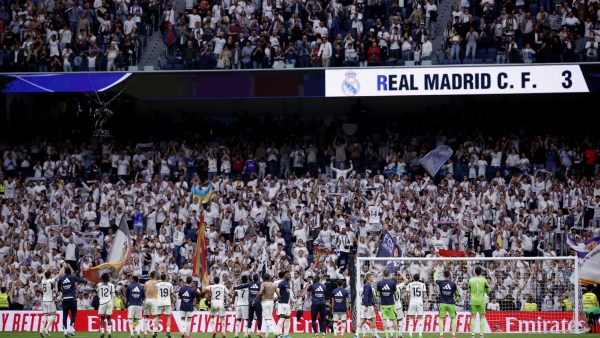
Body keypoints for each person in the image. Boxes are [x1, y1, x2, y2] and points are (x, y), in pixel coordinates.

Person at [59, 266, 90, 337]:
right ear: (70, 272)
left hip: (65, 299)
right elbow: (80, 280)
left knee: (65, 315)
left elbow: (58, 289)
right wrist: (85, 281)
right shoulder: (72, 277)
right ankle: (71, 326)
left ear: (64, 272)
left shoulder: (61, 279)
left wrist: (64, 291)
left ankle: (65, 331)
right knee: (73, 313)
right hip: (72, 299)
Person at [40, 263, 67, 337]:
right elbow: (60, 274)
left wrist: (46, 268)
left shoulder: (43, 280)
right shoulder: (51, 281)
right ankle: (47, 328)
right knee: (54, 314)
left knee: (45, 315)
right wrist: (63, 267)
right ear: (50, 276)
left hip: (44, 301)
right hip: (50, 300)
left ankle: (41, 329)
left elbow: (43, 275)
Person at [434, 265, 459, 338]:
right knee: (453, 318)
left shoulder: (441, 282)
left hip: (443, 303)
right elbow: (456, 293)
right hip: (451, 303)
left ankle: (441, 334)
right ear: (450, 276)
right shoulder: (453, 284)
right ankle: (453, 335)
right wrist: (457, 298)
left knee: (441, 319)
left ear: (444, 276)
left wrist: (437, 270)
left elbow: (435, 278)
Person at [254, 273, 281, 338]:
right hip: (271, 302)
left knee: (267, 319)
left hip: (265, 302)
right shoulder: (273, 285)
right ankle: (266, 335)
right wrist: (275, 300)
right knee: (269, 319)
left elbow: (260, 292)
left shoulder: (263, 284)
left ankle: (275, 333)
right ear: (269, 278)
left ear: (263, 278)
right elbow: (279, 295)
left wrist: (255, 299)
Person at [468, 266, 490, 338]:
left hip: (473, 301)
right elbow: (488, 291)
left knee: (473, 317)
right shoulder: (484, 280)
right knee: (482, 317)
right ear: (481, 272)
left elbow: (469, 291)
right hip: (481, 301)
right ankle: (481, 334)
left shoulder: (471, 280)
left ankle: (473, 334)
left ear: (475, 272)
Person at [376, 270, 398, 338]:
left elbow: (378, 295)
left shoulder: (379, 283)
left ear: (383, 274)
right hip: (391, 303)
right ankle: (396, 336)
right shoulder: (392, 282)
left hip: (383, 304)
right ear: (389, 274)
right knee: (394, 319)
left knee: (384, 320)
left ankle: (386, 336)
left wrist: (383, 293)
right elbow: (395, 293)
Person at [355, 273, 378, 338]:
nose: (373, 278)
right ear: (369, 278)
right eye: (372, 277)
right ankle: (375, 335)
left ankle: (356, 335)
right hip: (367, 306)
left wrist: (373, 304)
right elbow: (366, 296)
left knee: (363, 320)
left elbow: (368, 297)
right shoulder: (368, 286)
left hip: (365, 305)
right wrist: (367, 306)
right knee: (373, 319)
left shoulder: (366, 285)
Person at [406, 274, 426, 338]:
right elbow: (425, 294)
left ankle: (410, 334)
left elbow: (406, 294)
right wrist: (426, 303)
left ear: (413, 278)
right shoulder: (422, 284)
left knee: (411, 318)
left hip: (412, 302)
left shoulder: (410, 284)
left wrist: (406, 300)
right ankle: (420, 334)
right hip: (420, 302)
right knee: (420, 318)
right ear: (419, 278)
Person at [276, 271, 294, 338]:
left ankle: (286, 335)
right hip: (282, 304)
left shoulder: (288, 283)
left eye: (289, 274)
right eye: (287, 274)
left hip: (287, 304)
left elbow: (289, 294)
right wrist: (278, 297)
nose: (289, 275)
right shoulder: (281, 283)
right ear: (284, 275)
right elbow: (277, 290)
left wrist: (293, 300)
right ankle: (278, 334)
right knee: (281, 319)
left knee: (288, 319)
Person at [98, 272, 116, 338]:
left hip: (102, 302)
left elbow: (98, 294)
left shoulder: (99, 285)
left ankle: (102, 332)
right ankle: (109, 332)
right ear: (108, 278)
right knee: (109, 318)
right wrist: (115, 304)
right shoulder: (111, 285)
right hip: (109, 302)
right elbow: (113, 296)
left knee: (102, 318)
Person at [156, 273, 174, 338]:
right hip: (167, 302)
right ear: (166, 278)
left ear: (161, 278)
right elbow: (171, 295)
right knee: (168, 317)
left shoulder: (157, 284)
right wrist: (172, 302)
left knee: (157, 316)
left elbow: (156, 292)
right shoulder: (170, 285)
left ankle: (155, 332)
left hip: (160, 302)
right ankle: (168, 332)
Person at [143, 271, 159, 337]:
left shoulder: (146, 283)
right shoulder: (157, 283)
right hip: (154, 300)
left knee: (147, 317)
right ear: (155, 276)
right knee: (155, 316)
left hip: (147, 300)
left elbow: (144, 290)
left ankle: (145, 333)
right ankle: (153, 332)